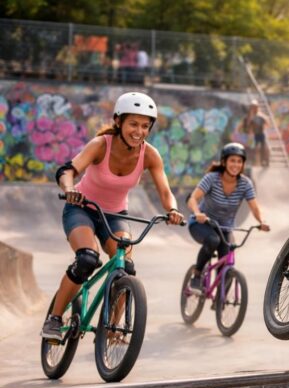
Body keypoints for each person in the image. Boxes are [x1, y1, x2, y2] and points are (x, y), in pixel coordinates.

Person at [41, 92, 185, 340]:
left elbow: (164, 190)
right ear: (118, 121)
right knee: (87, 259)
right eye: (133, 124)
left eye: (144, 125)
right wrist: (70, 190)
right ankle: (54, 319)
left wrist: (172, 210)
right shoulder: (101, 145)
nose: (138, 131)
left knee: (125, 267)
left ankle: (111, 328)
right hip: (81, 208)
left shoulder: (150, 155)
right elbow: (67, 171)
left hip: (116, 214)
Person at [186, 142, 270, 291]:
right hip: (202, 223)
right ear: (224, 162)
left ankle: (220, 295)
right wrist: (198, 213)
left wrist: (262, 221)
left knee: (229, 252)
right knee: (213, 240)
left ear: (243, 164)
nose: (235, 165)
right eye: (232, 160)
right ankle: (197, 275)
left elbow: (255, 207)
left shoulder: (245, 184)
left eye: (239, 161)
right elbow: (193, 198)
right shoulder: (212, 178)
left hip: (224, 227)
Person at [240, 100, 270, 167]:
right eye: (252, 107)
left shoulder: (260, 116)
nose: (254, 109)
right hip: (253, 135)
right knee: (253, 148)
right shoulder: (249, 116)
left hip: (260, 134)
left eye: (255, 107)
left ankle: (264, 161)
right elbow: (247, 125)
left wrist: (264, 127)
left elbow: (267, 123)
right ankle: (254, 162)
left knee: (264, 147)